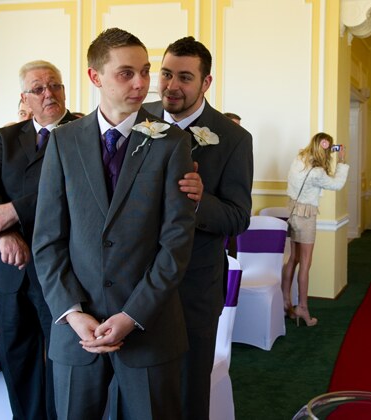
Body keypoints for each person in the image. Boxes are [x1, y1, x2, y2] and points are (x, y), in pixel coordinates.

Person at [32, 28, 196, 419]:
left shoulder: (172, 143)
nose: (141, 83)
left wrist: (132, 315)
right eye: (126, 73)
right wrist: (72, 313)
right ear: (95, 77)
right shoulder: (64, 141)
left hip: (149, 327)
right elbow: (48, 239)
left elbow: (175, 243)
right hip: (76, 333)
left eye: (145, 71)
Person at [143, 36, 253, 419]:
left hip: (194, 286)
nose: (172, 85)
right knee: (139, 388)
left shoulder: (234, 139)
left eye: (185, 77)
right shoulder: (136, 119)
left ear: (206, 83)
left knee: (189, 392)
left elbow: (239, 218)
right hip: (134, 281)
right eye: (167, 74)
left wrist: (200, 199)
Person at [0, 60, 78, 420]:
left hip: (65, 267)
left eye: (55, 85)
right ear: (24, 97)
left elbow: (69, 190)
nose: (49, 93)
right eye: (38, 88)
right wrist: (4, 231)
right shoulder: (7, 137)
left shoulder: (84, 130)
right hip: (13, 268)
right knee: (17, 355)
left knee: (65, 357)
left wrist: (13, 211)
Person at [281, 132, 349, 327]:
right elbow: (337, 184)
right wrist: (342, 161)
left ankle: (286, 302)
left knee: (293, 259)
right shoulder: (317, 172)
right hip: (306, 216)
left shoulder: (299, 159)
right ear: (327, 148)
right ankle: (302, 307)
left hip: (293, 212)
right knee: (305, 263)